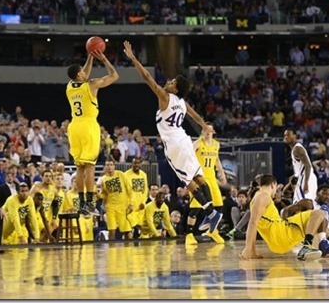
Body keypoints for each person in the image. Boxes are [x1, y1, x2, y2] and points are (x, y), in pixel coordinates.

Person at [123, 40, 221, 237]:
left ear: (175, 89)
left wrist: (133, 58)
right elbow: (195, 116)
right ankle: (213, 213)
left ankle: (210, 213)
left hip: (175, 146)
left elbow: (147, 77)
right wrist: (204, 126)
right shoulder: (182, 102)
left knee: (189, 183)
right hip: (185, 140)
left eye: (172, 82)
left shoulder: (165, 97)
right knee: (200, 178)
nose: (168, 82)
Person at [66, 49, 119, 215]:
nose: (85, 71)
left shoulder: (69, 86)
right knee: (90, 166)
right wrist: (103, 59)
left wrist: (90, 56)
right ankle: (90, 202)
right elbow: (114, 75)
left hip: (74, 127)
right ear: (79, 74)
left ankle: (82, 203)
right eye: (82, 70)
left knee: (80, 167)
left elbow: (84, 73)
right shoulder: (92, 84)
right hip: (88, 126)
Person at [240, 174, 329, 261]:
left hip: (277, 240)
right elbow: (253, 223)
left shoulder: (257, 197)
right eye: (275, 188)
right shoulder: (263, 196)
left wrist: (252, 252)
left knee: (318, 221)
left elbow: (254, 223)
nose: (275, 192)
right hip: (281, 234)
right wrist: (248, 249)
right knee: (319, 213)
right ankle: (307, 246)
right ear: (272, 184)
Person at [187, 123, 227, 244]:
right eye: (205, 130)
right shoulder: (198, 143)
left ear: (213, 131)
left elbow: (217, 159)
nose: (208, 132)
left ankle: (212, 230)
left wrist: (222, 174)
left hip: (212, 178)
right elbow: (188, 154)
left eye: (210, 130)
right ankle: (189, 235)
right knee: (195, 208)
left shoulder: (216, 144)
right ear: (202, 131)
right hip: (199, 178)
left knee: (219, 205)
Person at [284, 128, 317, 203]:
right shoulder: (295, 149)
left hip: (306, 178)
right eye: (285, 135)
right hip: (305, 177)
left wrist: (305, 183)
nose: (286, 137)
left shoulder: (297, 149)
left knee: (302, 204)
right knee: (304, 205)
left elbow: (308, 165)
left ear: (295, 136)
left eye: (288, 135)